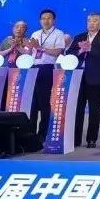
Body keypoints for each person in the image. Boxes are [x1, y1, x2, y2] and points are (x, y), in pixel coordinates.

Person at [68, 12, 100, 148]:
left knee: (94, 110)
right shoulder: (80, 37)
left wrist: (90, 49)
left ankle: (91, 139)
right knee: (78, 108)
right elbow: (69, 53)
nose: (91, 23)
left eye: (95, 20)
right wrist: (80, 51)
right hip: (78, 77)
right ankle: (76, 138)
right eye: (89, 20)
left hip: (96, 78)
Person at [28, 10, 66, 139]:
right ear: (40, 21)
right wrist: (22, 47)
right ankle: (30, 132)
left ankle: (43, 133)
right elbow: (30, 52)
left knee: (44, 101)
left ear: (53, 20)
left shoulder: (58, 33)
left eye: (49, 18)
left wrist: (40, 48)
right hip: (33, 67)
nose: (46, 20)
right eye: (43, 18)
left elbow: (58, 52)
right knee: (32, 102)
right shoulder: (35, 33)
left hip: (47, 68)